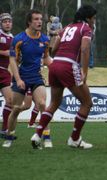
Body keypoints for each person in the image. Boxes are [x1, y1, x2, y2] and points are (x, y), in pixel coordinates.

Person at [31, 5, 97, 149]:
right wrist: (84, 71)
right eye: (93, 18)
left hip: (55, 66)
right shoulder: (85, 28)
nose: (94, 22)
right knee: (87, 103)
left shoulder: (66, 27)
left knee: (54, 103)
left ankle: (37, 134)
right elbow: (85, 49)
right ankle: (74, 139)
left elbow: (53, 49)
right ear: (88, 18)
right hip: (68, 66)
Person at [3, 10, 52, 148]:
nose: (39, 22)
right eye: (36, 19)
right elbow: (12, 60)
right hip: (21, 77)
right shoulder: (18, 39)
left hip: (36, 77)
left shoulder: (45, 40)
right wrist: (18, 79)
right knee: (17, 108)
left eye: (41, 19)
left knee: (42, 104)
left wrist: (56, 69)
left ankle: (47, 136)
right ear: (29, 22)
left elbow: (47, 58)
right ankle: (10, 135)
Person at [0, 13, 13, 138]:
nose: (8, 23)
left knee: (10, 101)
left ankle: (4, 129)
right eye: (5, 21)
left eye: (9, 21)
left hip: (4, 72)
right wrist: (4, 52)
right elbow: (6, 53)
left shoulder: (12, 38)